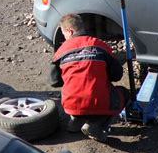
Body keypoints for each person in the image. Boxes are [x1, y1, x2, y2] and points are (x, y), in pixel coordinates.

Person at [50, 13, 129, 142]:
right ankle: (97, 124)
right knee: (124, 94)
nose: (64, 38)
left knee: (74, 93)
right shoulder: (100, 45)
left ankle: (76, 120)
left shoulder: (60, 52)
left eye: (64, 34)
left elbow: (54, 81)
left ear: (69, 31)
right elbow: (117, 76)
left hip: (71, 105)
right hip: (99, 103)